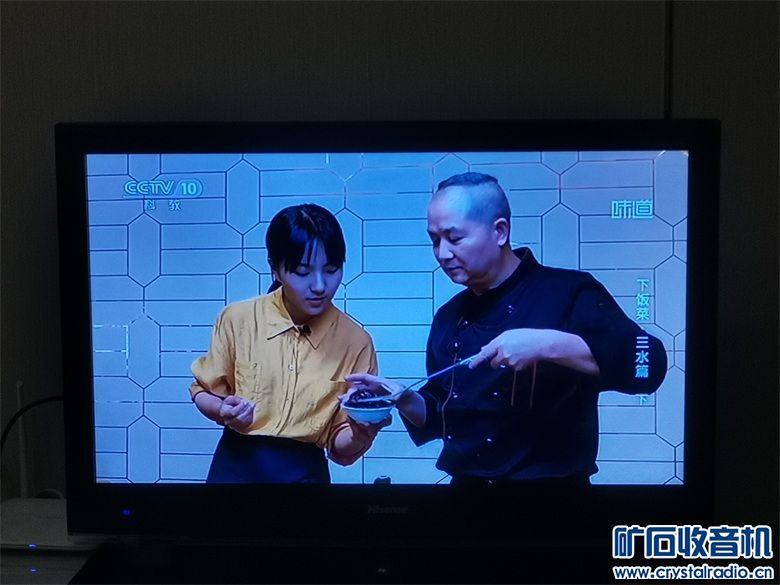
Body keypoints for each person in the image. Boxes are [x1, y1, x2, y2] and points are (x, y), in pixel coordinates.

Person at [345, 172, 667, 485]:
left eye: (454, 238)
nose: (442, 253)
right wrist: (402, 397)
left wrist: (547, 345)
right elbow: (440, 420)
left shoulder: (569, 291)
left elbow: (648, 364)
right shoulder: (449, 317)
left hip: (556, 503)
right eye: (435, 240)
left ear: (500, 231)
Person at [190, 203, 389, 483]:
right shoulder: (237, 319)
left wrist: (361, 433)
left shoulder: (356, 342)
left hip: (305, 474)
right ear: (275, 268)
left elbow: (340, 448)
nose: (319, 286)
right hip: (235, 467)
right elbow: (203, 391)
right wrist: (222, 410)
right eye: (302, 272)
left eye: (331, 269)